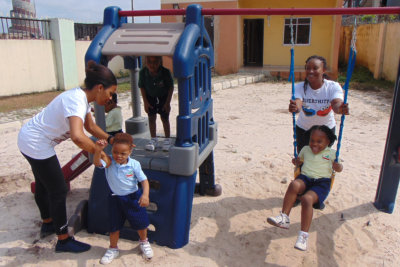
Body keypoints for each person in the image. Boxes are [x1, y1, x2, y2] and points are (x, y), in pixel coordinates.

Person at [18, 60, 117, 253]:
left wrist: (111, 139)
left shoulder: (81, 99)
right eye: (110, 92)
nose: (110, 97)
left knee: (43, 183)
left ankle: (47, 223)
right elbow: (78, 137)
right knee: (59, 189)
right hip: (36, 142)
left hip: (29, 138)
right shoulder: (76, 100)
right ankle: (63, 240)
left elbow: (90, 127)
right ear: (99, 87)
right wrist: (99, 152)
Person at [267, 125, 343, 251]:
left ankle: (303, 236)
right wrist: (296, 162)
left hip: (322, 183)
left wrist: (337, 167)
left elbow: (339, 168)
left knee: (307, 200)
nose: (314, 144)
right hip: (305, 178)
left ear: (328, 142)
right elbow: (300, 161)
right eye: (312, 140)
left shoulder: (332, 153)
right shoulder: (305, 150)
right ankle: (284, 218)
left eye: (319, 141)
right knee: (294, 184)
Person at [93, 133, 153, 264]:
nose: (118, 156)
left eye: (123, 153)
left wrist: (145, 195)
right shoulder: (110, 162)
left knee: (141, 223)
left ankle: (144, 242)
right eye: (115, 152)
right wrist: (98, 150)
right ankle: (113, 248)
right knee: (114, 226)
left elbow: (144, 180)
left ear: (130, 151)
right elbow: (97, 162)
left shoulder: (134, 164)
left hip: (132, 197)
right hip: (115, 198)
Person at [289, 55, 349, 153]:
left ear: (324, 70)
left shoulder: (332, 87)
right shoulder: (299, 87)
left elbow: (336, 103)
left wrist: (341, 108)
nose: (311, 71)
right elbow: (298, 103)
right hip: (304, 130)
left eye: (315, 68)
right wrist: (295, 107)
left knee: (323, 160)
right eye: (308, 68)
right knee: (303, 158)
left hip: (326, 131)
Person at [139, 56, 174, 151]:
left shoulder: (165, 72)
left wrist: (167, 103)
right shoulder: (143, 73)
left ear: (160, 61)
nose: (152, 65)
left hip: (163, 96)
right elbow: (141, 87)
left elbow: (171, 87)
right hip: (150, 97)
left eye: (155, 62)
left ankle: (167, 139)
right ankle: (153, 139)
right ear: (146, 61)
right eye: (149, 61)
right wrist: (145, 102)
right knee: (151, 118)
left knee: (164, 118)